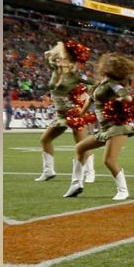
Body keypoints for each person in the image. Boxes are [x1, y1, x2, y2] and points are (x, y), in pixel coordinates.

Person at [63, 53, 134, 200]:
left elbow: (127, 96)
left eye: (108, 65)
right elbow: (90, 100)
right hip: (105, 129)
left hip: (117, 127)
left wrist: (118, 100)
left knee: (109, 160)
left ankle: (123, 190)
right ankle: (76, 184)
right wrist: (80, 114)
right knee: (80, 148)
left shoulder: (113, 84)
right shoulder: (99, 84)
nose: (103, 66)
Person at [36, 40, 95, 183]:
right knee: (45, 139)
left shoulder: (75, 75)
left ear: (71, 61)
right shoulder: (55, 70)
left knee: (82, 145)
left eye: (64, 58)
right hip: (61, 114)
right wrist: (58, 50)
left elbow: (95, 84)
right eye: (60, 58)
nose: (61, 60)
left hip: (75, 113)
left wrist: (89, 97)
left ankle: (90, 173)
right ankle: (48, 171)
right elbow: (46, 55)